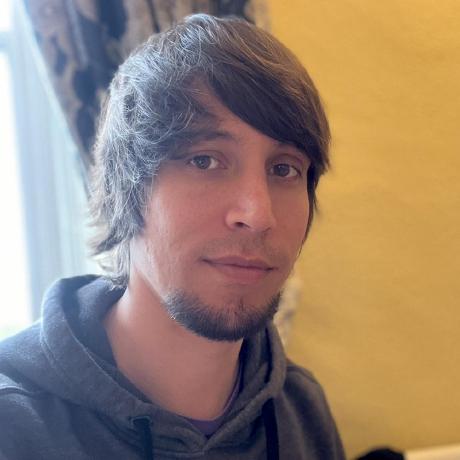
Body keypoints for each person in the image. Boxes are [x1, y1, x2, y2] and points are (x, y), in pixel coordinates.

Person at [0, 14, 345, 460]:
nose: (258, 215)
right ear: (127, 187)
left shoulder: (301, 411)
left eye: (284, 169)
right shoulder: (14, 427)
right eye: (205, 160)